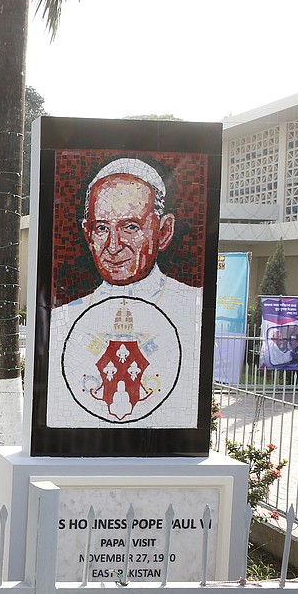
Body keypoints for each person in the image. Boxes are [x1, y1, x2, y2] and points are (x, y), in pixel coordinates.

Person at [47, 157, 202, 427]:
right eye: (102, 228)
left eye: (130, 227)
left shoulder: (194, 306)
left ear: (164, 232)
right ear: (88, 234)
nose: (114, 246)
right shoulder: (63, 318)